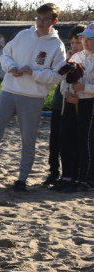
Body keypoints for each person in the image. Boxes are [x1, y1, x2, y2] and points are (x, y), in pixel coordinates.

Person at [0, 3, 66, 192]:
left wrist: (35, 73)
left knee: (28, 138)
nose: (40, 22)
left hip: (33, 97)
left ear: (54, 21)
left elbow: (58, 76)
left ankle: (22, 178)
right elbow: (5, 54)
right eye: (38, 17)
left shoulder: (57, 45)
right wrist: (11, 68)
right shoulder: (24, 35)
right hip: (9, 91)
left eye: (46, 18)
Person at [55, 22, 94, 192]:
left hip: (88, 102)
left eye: (90, 38)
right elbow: (64, 78)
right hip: (71, 101)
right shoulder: (77, 57)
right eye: (84, 38)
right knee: (66, 138)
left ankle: (83, 178)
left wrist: (84, 88)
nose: (86, 41)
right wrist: (67, 94)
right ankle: (67, 176)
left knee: (83, 140)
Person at [46, 24, 86, 188]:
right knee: (58, 140)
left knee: (77, 141)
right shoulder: (68, 58)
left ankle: (76, 174)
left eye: (79, 43)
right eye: (72, 44)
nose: (75, 47)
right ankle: (58, 173)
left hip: (81, 104)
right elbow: (61, 79)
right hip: (62, 103)